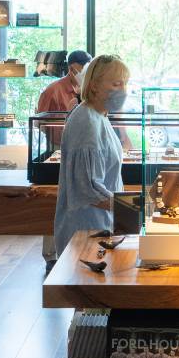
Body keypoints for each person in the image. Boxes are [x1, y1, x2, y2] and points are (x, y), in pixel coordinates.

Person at [52, 54, 130, 261]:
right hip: (86, 231)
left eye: (125, 83)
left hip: (101, 227)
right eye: (116, 83)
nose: (123, 89)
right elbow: (88, 189)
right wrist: (132, 207)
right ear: (94, 85)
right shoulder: (86, 122)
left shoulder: (99, 116)